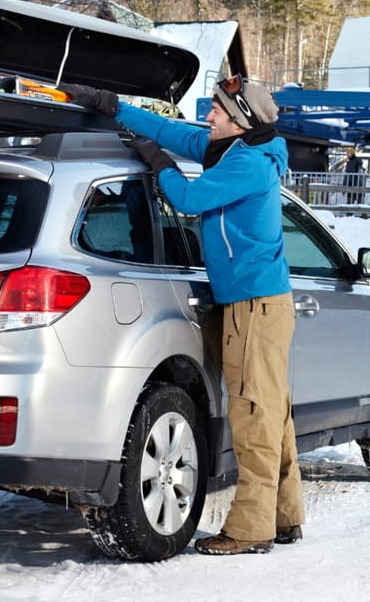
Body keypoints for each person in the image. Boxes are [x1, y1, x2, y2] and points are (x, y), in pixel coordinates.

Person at [58, 76, 304, 556]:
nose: (208, 116)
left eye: (216, 109)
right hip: (250, 302)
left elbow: (188, 199)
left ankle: (253, 529)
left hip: (255, 305)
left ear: (240, 121)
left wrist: (160, 164)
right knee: (271, 409)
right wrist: (116, 107)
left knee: (254, 413)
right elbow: (171, 132)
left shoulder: (249, 165)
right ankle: (284, 514)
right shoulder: (229, 149)